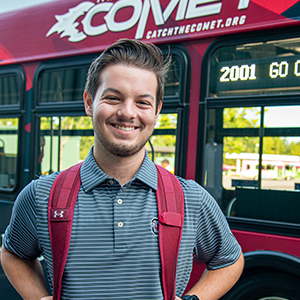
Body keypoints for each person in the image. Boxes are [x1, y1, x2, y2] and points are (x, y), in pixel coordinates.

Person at [1, 39, 244, 300]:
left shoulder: (191, 199)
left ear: (157, 110)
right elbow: (13, 253)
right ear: (88, 102)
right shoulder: (41, 195)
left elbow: (230, 259)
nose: (128, 113)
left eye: (142, 102)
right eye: (113, 98)